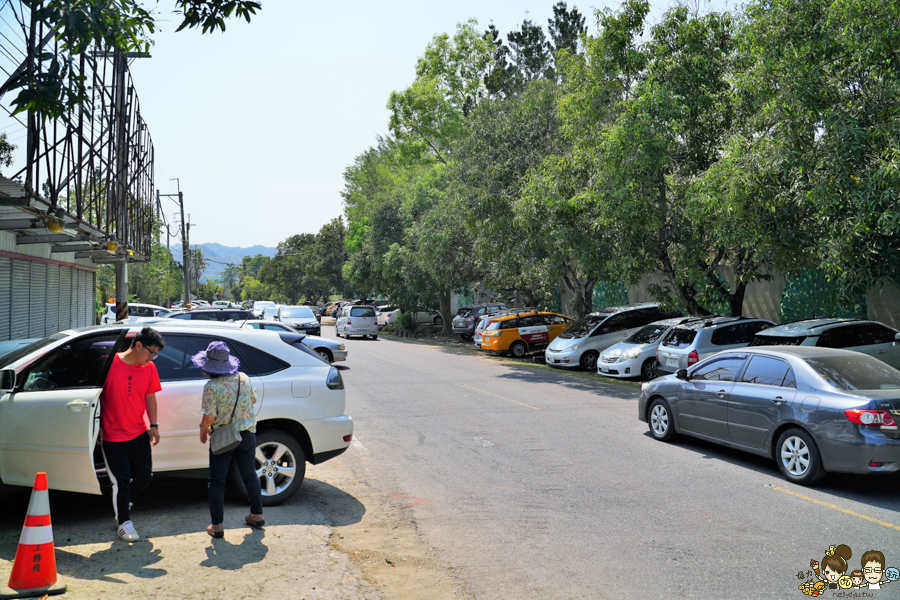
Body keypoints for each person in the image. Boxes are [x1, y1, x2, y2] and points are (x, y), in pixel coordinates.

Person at [193, 341, 264, 538]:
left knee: (217, 482)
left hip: (224, 437)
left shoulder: (211, 386)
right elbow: (253, 400)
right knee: (250, 475)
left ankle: (217, 526)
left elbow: (209, 417)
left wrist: (203, 429)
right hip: (247, 434)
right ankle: (257, 515)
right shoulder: (243, 378)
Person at [100, 326, 164, 542]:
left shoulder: (149, 368)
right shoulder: (109, 363)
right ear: (138, 345)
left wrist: (153, 425)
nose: (152, 357)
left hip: (138, 432)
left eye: (155, 354)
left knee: (145, 476)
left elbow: (150, 397)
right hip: (112, 435)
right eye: (151, 352)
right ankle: (124, 523)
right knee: (122, 481)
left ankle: (123, 503)